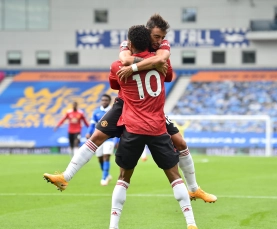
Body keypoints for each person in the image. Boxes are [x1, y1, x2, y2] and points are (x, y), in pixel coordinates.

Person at [44, 14, 217, 204]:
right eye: (156, 37)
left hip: (150, 109)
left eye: (161, 37)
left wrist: (136, 66)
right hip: (125, 103)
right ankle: (65, 177)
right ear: (147, 32)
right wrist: (145, 63)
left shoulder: (162, 48)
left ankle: (194, 189)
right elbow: (125, 59)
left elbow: (163, 68)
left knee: (181, 143)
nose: (160, 41)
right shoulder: (130, 44)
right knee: (97, 137)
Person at [106, 24, 203, 229]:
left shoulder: (118, 65)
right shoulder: (162, 64)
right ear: (151, 40)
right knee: (174, 177)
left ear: (130, 44)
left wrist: (128, 62)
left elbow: (115, 85)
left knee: (123, 178)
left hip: (132, 128)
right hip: (158, 127)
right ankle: (192, 226)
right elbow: (165, 68)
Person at [85, 94, 114, 186]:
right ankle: (107, 174)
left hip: (110, 138)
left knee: (106, 156)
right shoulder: (96, 112)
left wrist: (117, 140)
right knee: (100, 158)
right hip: (98, 138)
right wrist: (89, 132)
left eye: (106, 100)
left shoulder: (113, 111)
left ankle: (104, 177)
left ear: (109, 101)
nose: (104, 101)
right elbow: (92, 124)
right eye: (103, 100)